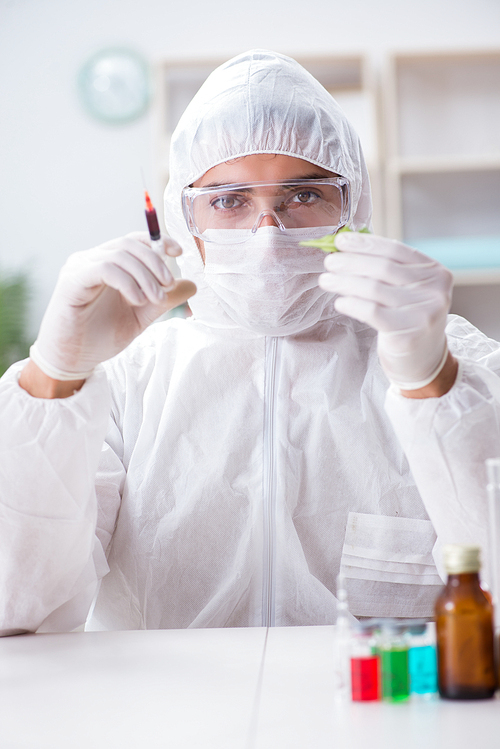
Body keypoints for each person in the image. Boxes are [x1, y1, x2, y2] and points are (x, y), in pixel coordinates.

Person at [1, 50, 500, 636]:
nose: (268, 236)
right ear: (185, 221)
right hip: (164, 721)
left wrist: (434, 389)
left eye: (303, 196)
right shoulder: (129, 382)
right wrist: (54, 377)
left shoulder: (450, 360)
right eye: (229, 201)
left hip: (384, 715)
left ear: (353, 206)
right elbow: (16, 606)